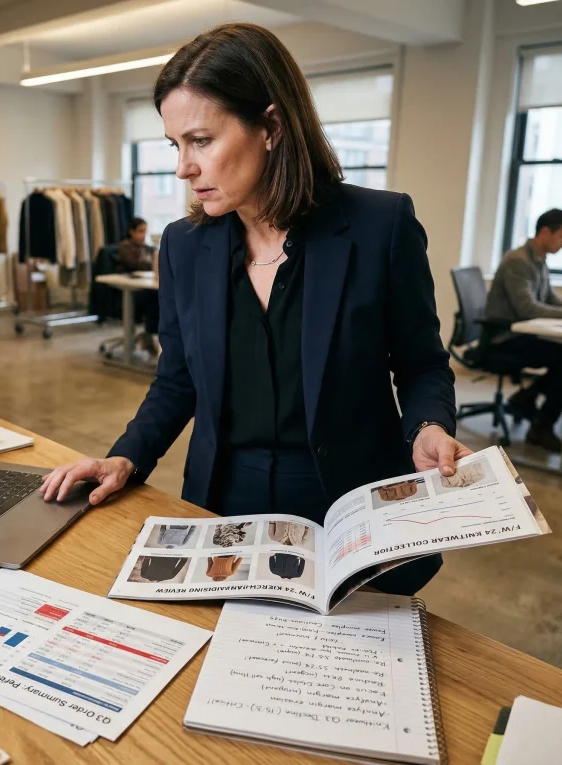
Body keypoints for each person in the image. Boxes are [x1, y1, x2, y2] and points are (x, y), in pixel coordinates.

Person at [40, 22, 470, 596]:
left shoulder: (380, 226)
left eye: (201, 141)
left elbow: (421, 363)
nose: (183, 169)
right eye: (175, 146)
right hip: (224, 507)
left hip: (349, 506)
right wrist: (125, 458)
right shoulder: (185, 246)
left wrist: (428, 425)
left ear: (270, 126)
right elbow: (177, 380)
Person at [485, 208, 562, 452]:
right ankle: (541, 426)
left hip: (525, 333)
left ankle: (527, 396)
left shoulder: (538, 260)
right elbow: (528, 309)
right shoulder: (517, 261)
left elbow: (549, 298)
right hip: (505, 337)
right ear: (544, 232)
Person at [117, 217, 160, 357]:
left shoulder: (147, 248)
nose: (143, 235)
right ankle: (150, 333)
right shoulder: (125, 247)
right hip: (127, 289)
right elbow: (134, 264)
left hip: (144, 286)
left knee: (157, 295)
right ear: (131, 232)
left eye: (145, 231)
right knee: (153, 298)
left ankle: (152, 333)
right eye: (140, 231)